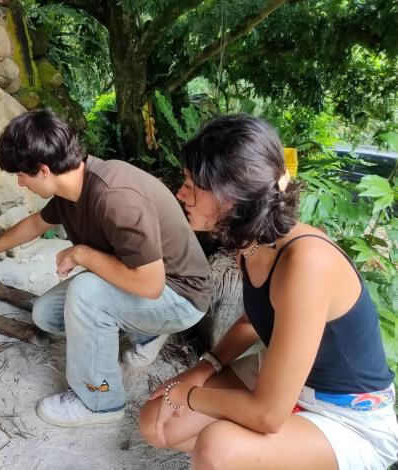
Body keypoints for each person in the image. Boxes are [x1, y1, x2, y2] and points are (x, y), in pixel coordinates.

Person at [139, 114, 398, 470]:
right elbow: (252, 321)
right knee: (159, 422)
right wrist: (204, 368)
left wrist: (194, 396)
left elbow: (268, 414)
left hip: (348, 416)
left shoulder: (306, 262)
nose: (180, 193)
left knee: (218, 450)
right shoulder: (252, 242)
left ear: (230, 198)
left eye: (191, 184)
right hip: (284, 381)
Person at [0, 109, 213, 427]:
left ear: (43, 169)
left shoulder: (115, 198)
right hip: (147, 284)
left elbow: (151, 285)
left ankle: (100, 402)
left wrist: (82, 254)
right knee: (47, 314)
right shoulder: (73, 186)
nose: (20, 184)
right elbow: (37, 223)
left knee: (85, 292)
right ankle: (145, 331)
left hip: (180, 295)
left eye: (21, 175)